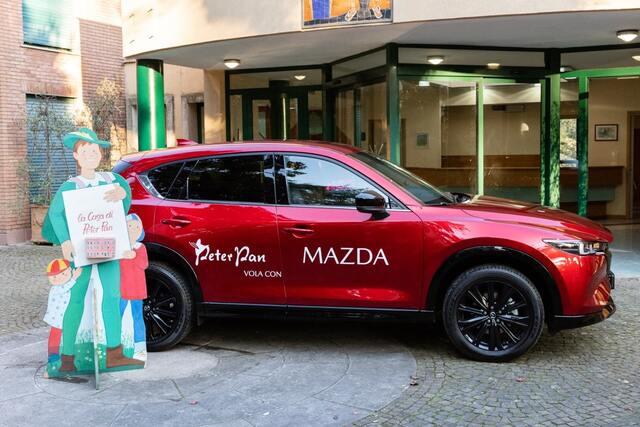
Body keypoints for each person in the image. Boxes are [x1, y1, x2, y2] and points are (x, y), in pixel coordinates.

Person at [42, 127, 143, 373]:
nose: (91, 155)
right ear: (76, 156)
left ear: (100, 154)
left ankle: (115, 354)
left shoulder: (111, 180)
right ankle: (68, 357)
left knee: (112, 295)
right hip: (80, 248)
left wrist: (123, 194)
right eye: (85, 151)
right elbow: (55, 213)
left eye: (95, 151)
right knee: (76, 298)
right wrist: (65, 241)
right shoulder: (70, 186)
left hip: (109, 246)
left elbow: (125, 203)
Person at [120, 213, 148, 360]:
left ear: (140, 229)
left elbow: (144, 264)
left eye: (136, 227)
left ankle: (140, 348)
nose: (132, 229)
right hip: (122, 290)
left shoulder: (141, 247)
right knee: (118, 316)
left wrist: (134, 255)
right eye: (129, 226)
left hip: (137, 290)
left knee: (137, 317)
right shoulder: (120, 248)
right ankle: (118, 346)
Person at [43, 259, 82, 364]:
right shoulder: (56, 288)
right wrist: (74, 278)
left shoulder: (63, 285)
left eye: (63, 274)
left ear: (69, 270)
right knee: (55, 336)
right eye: (54, 277)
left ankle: (60, 353)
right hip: (56, 318)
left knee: (60, 336)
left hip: (62, 317)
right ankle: (53, 356)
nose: (58, 278)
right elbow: (64, 288)